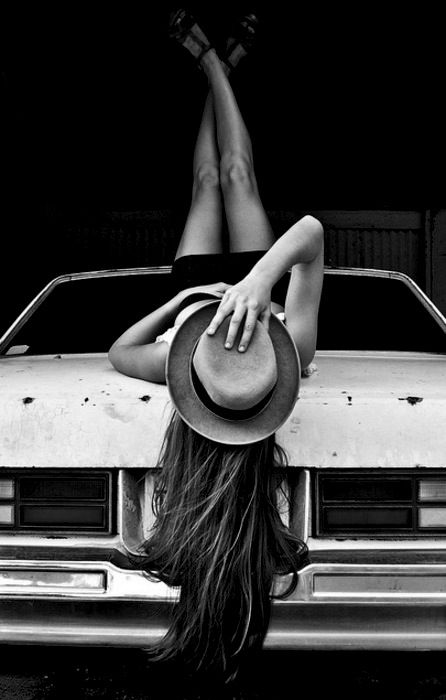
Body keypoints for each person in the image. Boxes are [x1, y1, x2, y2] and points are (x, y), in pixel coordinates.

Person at [108, 9, 324, 685]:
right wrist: (260, 282)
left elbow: (119, 352)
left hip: (195, 295)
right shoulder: (291, 354)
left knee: (206, 183)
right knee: (237, 176)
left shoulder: (190, 360)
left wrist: (184, 306)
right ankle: (215, 63)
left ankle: (212, 64)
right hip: (257, 277)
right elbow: (311, 232)